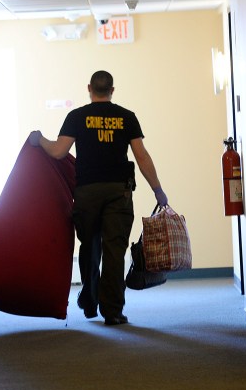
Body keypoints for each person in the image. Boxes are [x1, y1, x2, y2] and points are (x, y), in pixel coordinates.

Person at [28, 70, 168, 325]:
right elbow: (142, 156)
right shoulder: (127, 117)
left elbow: (58, 151)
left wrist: (39, 140)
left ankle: (90, 300)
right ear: (112, 90)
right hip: (119, 191)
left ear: (89, 88)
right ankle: (113, 311)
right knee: (115, 250)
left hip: (87, 192)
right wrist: (158, 189)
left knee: (90, 245)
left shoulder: (77, 116)